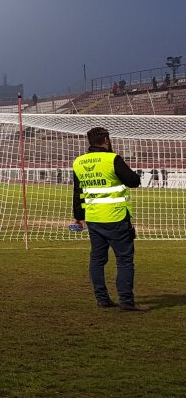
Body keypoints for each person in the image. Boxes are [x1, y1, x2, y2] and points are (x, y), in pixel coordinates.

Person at [72, 126, 146, 311]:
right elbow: (133, 181)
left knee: (97, 260)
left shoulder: (79, 162)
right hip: (116, 217)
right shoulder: (112, 159)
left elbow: (78, 192)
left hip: (93, 218)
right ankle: (126, 301)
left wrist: (78, 217)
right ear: (106, 140)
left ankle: (102, 299)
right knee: (124, 260)